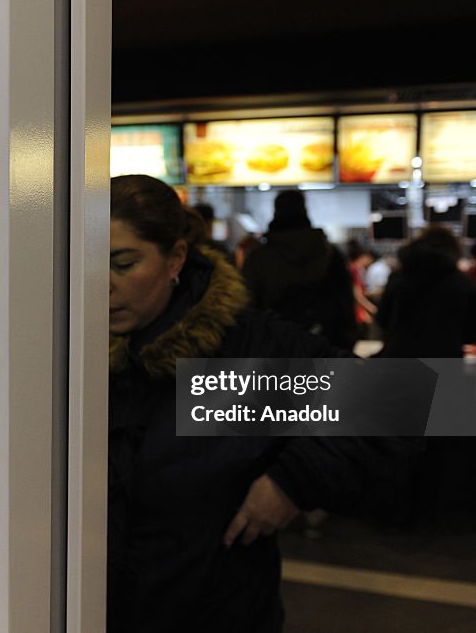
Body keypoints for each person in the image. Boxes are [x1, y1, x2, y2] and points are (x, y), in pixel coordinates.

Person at [108, 175, 416, 632]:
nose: (101, 285)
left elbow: (393, 402)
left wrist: (293, 480)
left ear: (175, 258)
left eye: (124, 264)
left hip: (215, 613)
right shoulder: (65, 351)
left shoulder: (234, 358)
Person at [241, 190, 358, 350]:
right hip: (324, 347)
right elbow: (345, 303)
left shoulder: (259, 258)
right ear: (305, 210)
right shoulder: (329, 253)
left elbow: (247, 308)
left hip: (275, 350)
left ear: (275, 212)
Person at [377, 226, 476, 357]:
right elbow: (472, 333)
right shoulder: (463, 283)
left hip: (400, 359)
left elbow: (382, 319)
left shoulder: (398, 277)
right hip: (444, 362)